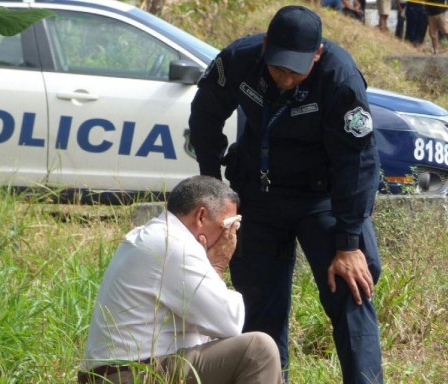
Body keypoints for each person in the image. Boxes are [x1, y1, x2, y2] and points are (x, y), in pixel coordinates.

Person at [189, 5, 383, 384]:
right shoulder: (239, 61)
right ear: (265, 46)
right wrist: (212, 188)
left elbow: (358, 162)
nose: (286, 77)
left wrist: (348, 244)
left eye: (297, 69)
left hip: (321, 198)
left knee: (350, 292)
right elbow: (204, 116)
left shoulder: (339, 78)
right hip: (257, 195)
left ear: (318, 54)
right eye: (279, 67)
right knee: (259, 308)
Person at [78, 176, 283, 384]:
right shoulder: (174, 245)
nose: (230, 236)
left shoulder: (160, 235)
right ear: (201, 216)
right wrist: (217, 266)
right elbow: (229, 323)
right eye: (229, 225)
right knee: (258, 350)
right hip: (129, 374)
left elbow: (212, 331)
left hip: (125, 371)